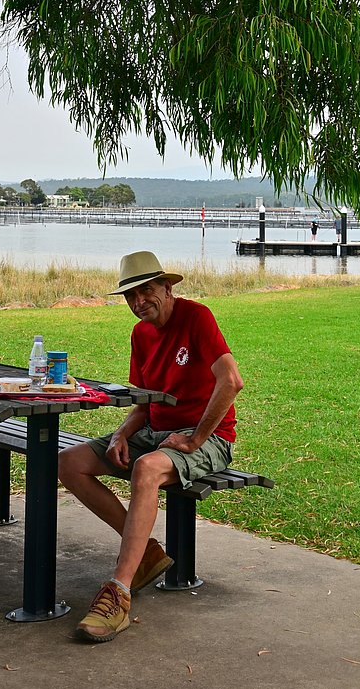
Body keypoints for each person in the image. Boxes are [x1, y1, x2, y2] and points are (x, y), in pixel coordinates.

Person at [59, 250, 243, 642]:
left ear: (167, 287)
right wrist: (123, 433)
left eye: (146, 291)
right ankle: (145, 553)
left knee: (146, 469)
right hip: (156, 433)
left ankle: (119, 594)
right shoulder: (141, 334)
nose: (139, 301)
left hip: (208, 437)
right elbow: (144, 401)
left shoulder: (197, 317)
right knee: (68, 463)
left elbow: (231, 381)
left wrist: (196, 438)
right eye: (130, 296)